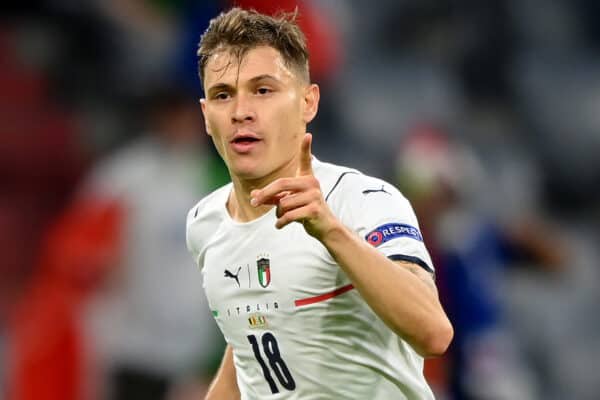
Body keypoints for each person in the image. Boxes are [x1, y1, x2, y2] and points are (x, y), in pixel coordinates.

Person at [186, 8, 453, 400]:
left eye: (263, 90)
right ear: (207, 116)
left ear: (308, 103)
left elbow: (434, 333)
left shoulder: (362, 201)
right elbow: (249, 344)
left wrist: (330, 230)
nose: (241, 112)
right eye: (223, 95)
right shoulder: (205, 224)